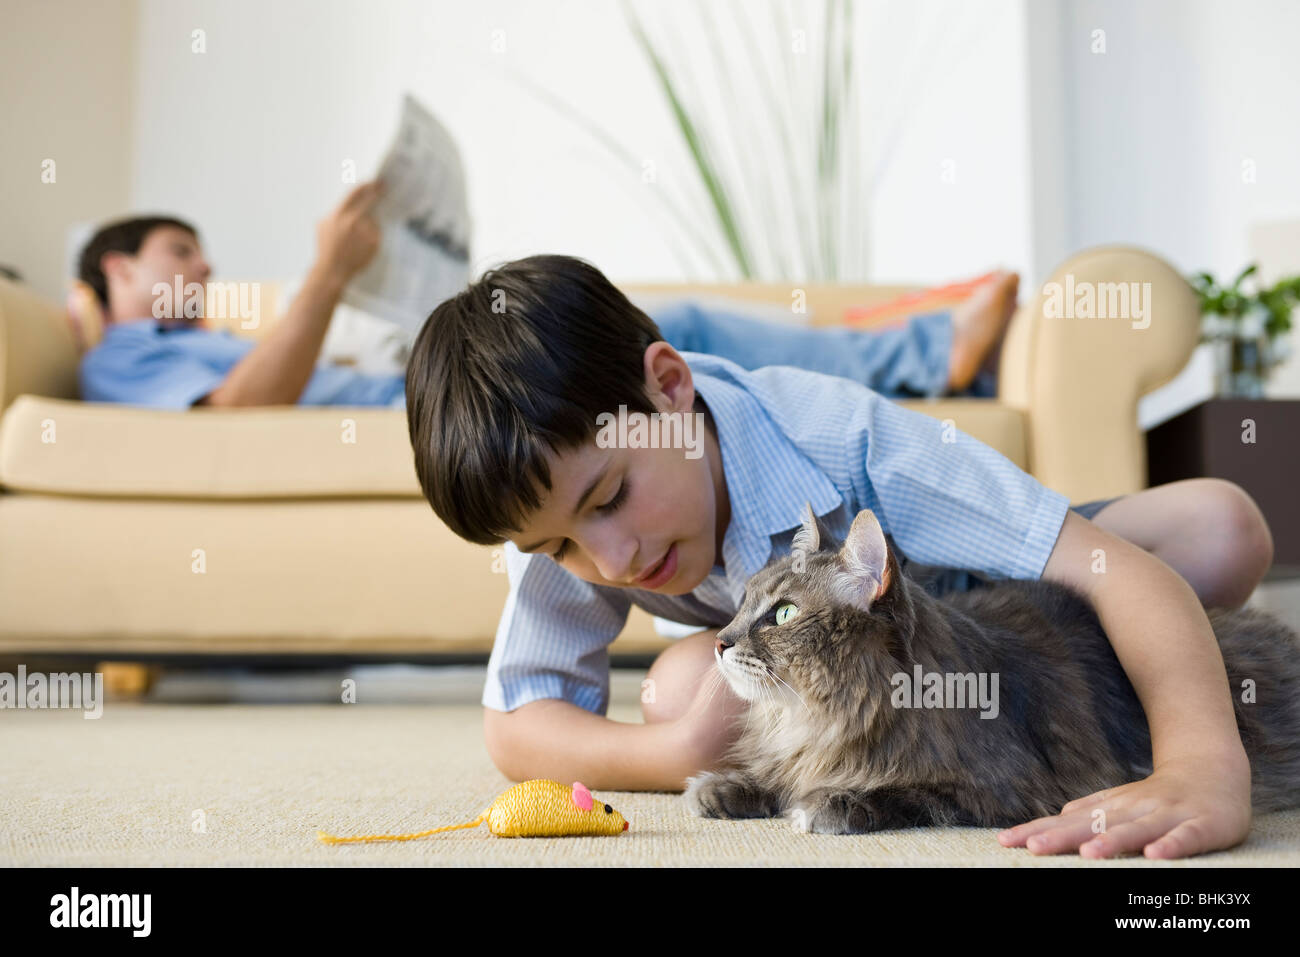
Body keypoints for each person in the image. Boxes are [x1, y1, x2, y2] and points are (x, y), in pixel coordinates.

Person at [404, 253, 1273, 860]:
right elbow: (517, 722)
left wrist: (1199, 760)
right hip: (820, 655)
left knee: (1221, 529)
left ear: (669, 390)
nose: (612, 558)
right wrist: (672, 755)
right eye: (558, 544)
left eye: (610, 500)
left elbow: (1109, 568)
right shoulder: (556, 500)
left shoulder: (849, 437)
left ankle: (1166, 670)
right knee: (677, 692)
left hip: (1000, 600)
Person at [76, 182, 1017, 410]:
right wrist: (327, 273)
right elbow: (245, 407)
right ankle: (930, 354)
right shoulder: (119, 355)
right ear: (115, 273)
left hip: (413, 375)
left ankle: (934, 365)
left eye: (202, 255)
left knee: (658, 333)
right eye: (178, 253)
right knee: (658, 330)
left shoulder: (203, 333)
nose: (200, 270)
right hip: (423, 400)